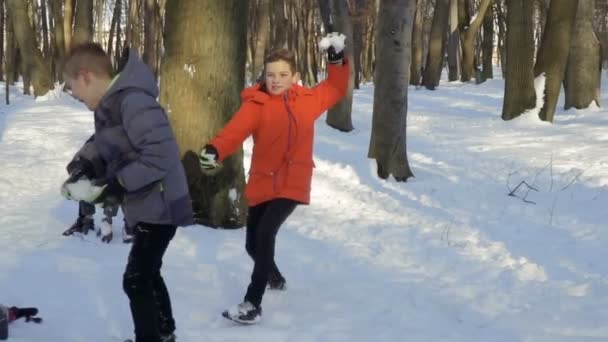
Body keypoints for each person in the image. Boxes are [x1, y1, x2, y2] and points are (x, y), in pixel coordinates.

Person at [199, 33, 349, 324]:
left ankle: (252, 303)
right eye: (271, 74)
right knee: (252, 245)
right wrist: (214, 149)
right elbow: (233, 132)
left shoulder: (308, 101)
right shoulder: (256, 105)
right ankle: (276, 279)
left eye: (283, 74)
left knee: (266, 234)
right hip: (263, 181)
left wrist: (336, 57)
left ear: (295, 76)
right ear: (264, 76)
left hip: (293, 181)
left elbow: (336, 86)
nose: (276, 80)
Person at [61, 42, 193, 342]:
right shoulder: (114, 103)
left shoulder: (132, 101)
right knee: (148, 273)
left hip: (161, 206)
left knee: (135, 281)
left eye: (73, 88)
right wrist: (83, 164)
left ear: (86, 76)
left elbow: (160, 155)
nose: (76, 95)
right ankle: (164, 332)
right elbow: (105, 142)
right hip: (148, 205)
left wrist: (118, 184)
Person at [62, 139, 134, 243]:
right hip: (97, 152)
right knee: (84, 185)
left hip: (126, 155)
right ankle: (85, 220)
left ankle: (130, 226)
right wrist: (87, 217)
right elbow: (82, 189)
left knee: (127, 185)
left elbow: (115, 188)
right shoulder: (73, 166)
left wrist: (107, 219)